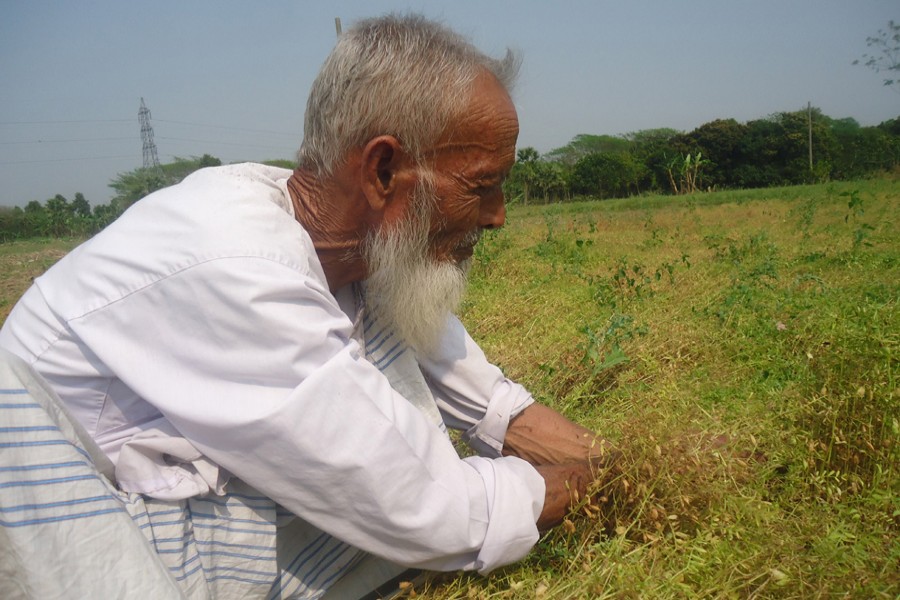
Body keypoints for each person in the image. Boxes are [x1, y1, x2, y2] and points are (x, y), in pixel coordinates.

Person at [0, 13, 614, 599]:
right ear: (383, 170)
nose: (499, 216)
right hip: (89, 533)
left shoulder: (355, 257)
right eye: (482, 186)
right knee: (377, 510)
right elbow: (429, 505)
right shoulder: (238, 262)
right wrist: (567, 489)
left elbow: (492, 404)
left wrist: (617, 465)